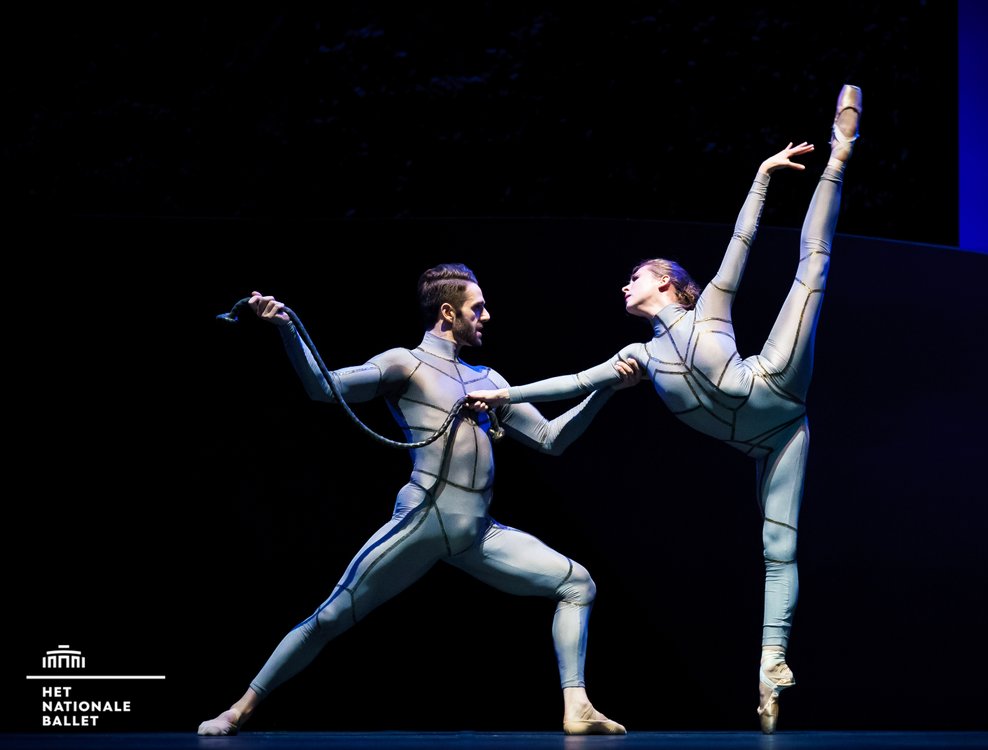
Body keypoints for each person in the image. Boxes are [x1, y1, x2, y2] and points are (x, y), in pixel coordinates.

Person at [466, 86, 863, 733]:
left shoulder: (710, 306)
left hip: (775, 387)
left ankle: (841, 156)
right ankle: (771, 664)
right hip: (774, 439)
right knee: (775, 547)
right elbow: (570, 380)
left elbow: (743, 237)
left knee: (811, 271)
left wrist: (762, 176)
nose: (625, 284)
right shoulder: (638, 359)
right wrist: (503, 395)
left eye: (636, 275)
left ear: (668, 283)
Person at [198, 264, 637, 736]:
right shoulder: (405, 363)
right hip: (422, 519)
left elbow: (552, 438)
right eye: (478, 308)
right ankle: (238, 708)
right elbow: (325, 388)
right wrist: (287, 329)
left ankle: (577, 708)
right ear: (448, 313)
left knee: (578, 583)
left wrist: (606, 388)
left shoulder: (489, 378)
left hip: (476, 532)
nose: (487, 316)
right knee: (331, 616)